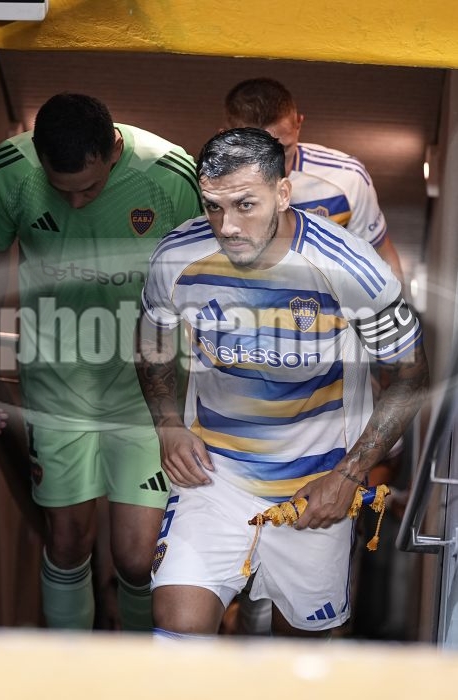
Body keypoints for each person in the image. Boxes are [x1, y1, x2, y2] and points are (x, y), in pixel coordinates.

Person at [135, 127, 428, 638]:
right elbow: (152, 343)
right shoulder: (176, 257)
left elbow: (411, 374)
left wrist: (350, 475)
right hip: (214, 477)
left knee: (298, 659)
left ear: (283, 193)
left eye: (245, 204)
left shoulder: (350, 266)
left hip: (316, 488)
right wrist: (166, 424)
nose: (227, 226)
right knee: (176, 631)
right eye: (213, 207)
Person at [0, 93, 202, 631]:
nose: (75, 203)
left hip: (147, 390)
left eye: (90, 189)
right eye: (62, 190)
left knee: (138, 557)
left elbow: (205, 279)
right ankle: (66, 669)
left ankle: (139, 666)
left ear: (113, 151)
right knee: (69, 540)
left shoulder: (170, 175)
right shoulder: (9, 170)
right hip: (56, 382)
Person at [223, 77, 406, 634]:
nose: (271, 158)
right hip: (247, 371)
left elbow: (383, 261)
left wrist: (387, 352)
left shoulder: (344, 179)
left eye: (281, 144)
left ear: (299, 123)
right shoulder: (211, 181)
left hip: (333, 370)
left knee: (314, 534)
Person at [223, 77, 404, 284]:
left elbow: (381, 256)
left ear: (298, 125)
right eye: (256, 154)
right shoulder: (208, 187)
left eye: (284, 149)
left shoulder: (347, 178)